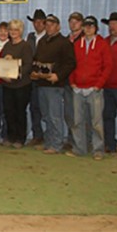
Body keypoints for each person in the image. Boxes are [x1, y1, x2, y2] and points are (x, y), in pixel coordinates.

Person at [67, 16, 112, 160]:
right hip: (78, 88)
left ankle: (98, 150)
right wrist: (72, 81)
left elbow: (108, 66)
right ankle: (80, 148)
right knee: (77, 120)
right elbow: (72, 64)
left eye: (91, 26)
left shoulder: (102, 44)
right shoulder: (77, 44)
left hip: (94, 89)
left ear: (96, 28)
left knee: (96, 121)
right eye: (86, 26)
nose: (88, 29)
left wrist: (99, 84)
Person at [31, 14, 76, 154]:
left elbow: (71, 63)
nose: (49, 27)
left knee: (54, 115)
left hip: (55, 85)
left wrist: (58, 75)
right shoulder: (43, 41)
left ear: (58, 26)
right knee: (45, 115)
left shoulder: (64, 42)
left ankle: (56, 144)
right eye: (47, 24)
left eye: (51, 24)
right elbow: (36, 59)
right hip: (42, 82)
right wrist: (33, 71)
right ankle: (49, 142)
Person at [1, 19, 33, 149]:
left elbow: (28, 65)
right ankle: (11, 136)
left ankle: (20, 138)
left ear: (20, 31)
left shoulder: (25, 46)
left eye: (16, 30)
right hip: (7, 85)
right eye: (11, 30)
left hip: (22, 85)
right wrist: (3, 75)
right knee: (8, 111)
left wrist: (14, 76)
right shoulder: (7, 45)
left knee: (20, 111)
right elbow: (2, 62)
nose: (13, 32)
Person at [101, 12, 117, 154]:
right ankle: (110, 145)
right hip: (107, 85)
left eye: (114, 24)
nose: (111, 27)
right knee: (107, 116)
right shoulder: (105, 42)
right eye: (110, 24)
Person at [26, 9, 47, 146]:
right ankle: (37, 134)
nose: (37, 24)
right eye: (35, 22)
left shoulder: (49, 37)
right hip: (31, 77)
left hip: (45, 77)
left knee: (47, 108)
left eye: (40, 22)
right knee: (34, 107)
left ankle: (50, 135)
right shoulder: (30, 37)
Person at [64, 12, 84, 150]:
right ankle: (72, 140)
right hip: (67, 79)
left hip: (81, 80)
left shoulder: (85, 39)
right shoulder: (67, 39)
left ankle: (82, 141)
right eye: (71, 21)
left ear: (81, 23)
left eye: (76, 21)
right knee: (69, 113)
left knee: (81, 114)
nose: (73, 24)